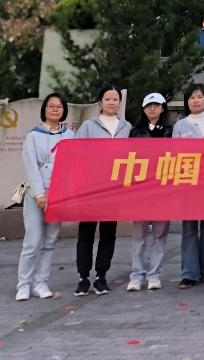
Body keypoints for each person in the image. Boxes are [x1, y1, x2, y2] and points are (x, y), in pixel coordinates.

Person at [16, 92, 74, 301]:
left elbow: (70, 166)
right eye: (51, 106)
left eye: (59, 106)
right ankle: (24, 284)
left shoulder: (69, 135)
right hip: (36, 196)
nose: (55, 109)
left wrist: (58, 192)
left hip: (58, 195)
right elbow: (31, 166)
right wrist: (40, 193)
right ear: (45, 109)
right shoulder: (33, 136)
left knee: (49, 242)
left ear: (63, 110)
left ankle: (40, 282)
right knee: (32, 241)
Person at [74, 85, 132, 296]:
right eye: (107, 99)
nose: (111, 102)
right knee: (86, 233)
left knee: (108, 233)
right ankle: (83, 277)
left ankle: (101, 276)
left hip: (113, 189)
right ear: (100, 102)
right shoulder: (88, 126)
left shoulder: (127, 127)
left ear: (119, 103)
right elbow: (76, 154)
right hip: (91, 188)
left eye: (115, 99)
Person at [172, 83, 204, 288]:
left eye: (199, 96)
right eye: (192, 97)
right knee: (189, 228)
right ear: (187, 101)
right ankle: (189, 272)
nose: (196, 100)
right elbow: (175, 155)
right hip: (188, 182)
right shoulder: (180, 126)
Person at [126, 92, 172, 292]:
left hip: (163, 190)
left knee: (160, 235)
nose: (152, 109)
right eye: (149, 106)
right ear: (143, 109)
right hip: (141, 190)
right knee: (139, 236)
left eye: (156, 105)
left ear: (162, 108)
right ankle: (136, 275)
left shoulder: (170, 131)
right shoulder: (135, 132)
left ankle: (154, 274)